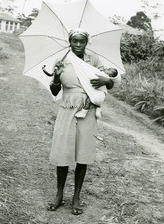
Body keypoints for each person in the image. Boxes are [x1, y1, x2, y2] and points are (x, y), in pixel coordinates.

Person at [47, 28, 120, 215]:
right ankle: (59, 194)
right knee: (63, 152)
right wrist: (56, 75)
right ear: (69, 41)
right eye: (75, 41)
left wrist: (106, 80)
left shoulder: (93, 60)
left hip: (88, 110)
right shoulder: (62, 60)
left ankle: (76, 197)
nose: (78, 44)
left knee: (83, 153)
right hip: (67, 108)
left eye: (82, 41)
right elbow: (55, 91)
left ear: (86, 42)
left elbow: (110, 82)